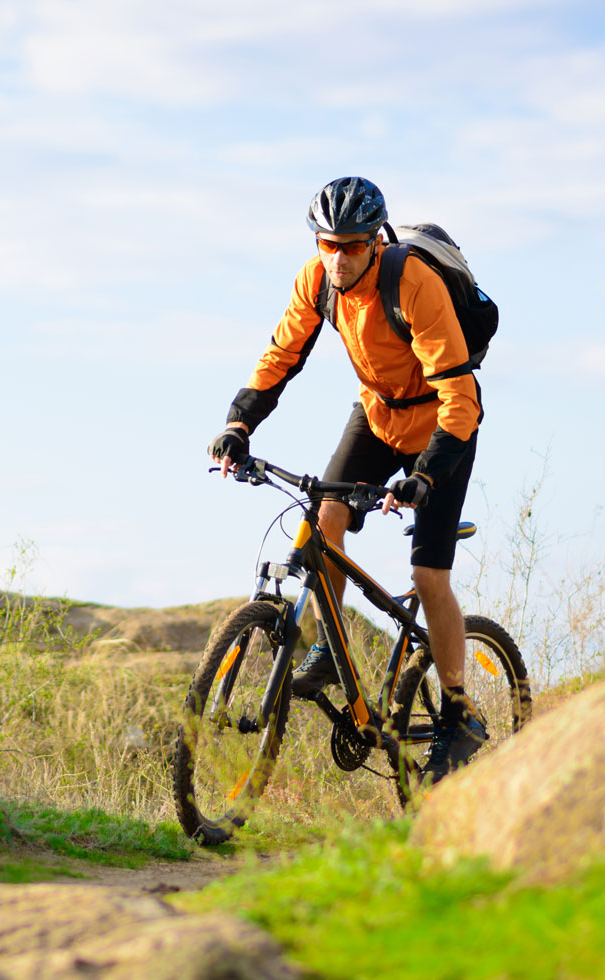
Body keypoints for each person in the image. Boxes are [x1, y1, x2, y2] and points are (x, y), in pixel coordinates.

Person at [207, 176, 485, 784]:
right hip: (378, 414)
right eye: (328, 244)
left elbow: (460, 396)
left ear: (375, 241)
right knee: (323, 518)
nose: (339, 257)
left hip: (443, 423)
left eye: (353, 245)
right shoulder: (316, 280)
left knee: (428, 574)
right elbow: (281, 356)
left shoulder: (414, 283)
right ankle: (333, 654)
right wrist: (238, 424)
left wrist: (425, 476)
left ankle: (460, 712)